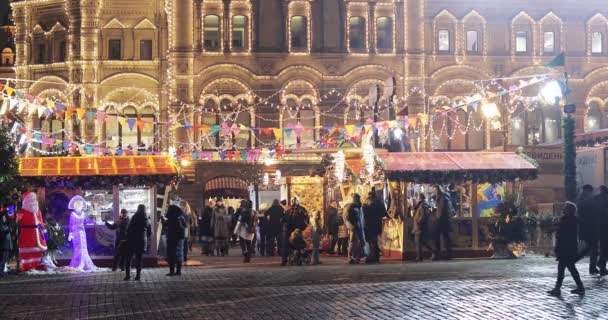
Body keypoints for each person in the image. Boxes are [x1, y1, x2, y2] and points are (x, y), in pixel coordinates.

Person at [548, 202, 585, 296]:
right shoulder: (568, 219)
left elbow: (564, 232)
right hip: (566, 247)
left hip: (566, 247)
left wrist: (556, 228)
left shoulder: (570, 220)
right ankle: (579, 287)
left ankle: (558, 288)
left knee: (563, 268)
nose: (563, 209)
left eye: (565, 208)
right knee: (570, 268)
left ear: (570, 210)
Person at [16, 192, 48, 272]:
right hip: (27, 233)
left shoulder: (38, 211)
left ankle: (35, 264)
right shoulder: (22, 211)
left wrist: (44, 231)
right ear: (26, 201)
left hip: (38, 233)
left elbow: (41, 221)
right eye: (31, 199)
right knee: (27, 250)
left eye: (34, 199)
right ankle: (27, 265)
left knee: (38, 250)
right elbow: (17, 221)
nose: (33, 201)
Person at [576, 184, 599, 275]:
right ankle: (575, 260)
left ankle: (592, 267)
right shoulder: (587, 200)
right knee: (592, 247)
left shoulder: (582, 199)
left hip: (587, 228)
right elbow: (591, 214)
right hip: (590, 228)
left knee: (592, 247)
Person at [125, 204, 152, 281]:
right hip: (141, 241)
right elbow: (149, 232)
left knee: (129, 258)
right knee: (139, 259)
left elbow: (128, 229)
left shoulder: (133, 217)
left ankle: (127, 275)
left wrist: (127, 238)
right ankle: (138, 275)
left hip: (132, 241)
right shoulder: (146, 219)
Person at [281, 196, 309, 266]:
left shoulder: (301, 209)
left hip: (297, 229)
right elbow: (283, 219)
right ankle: (285, 259)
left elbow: (306, 220)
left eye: (295, 200)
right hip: (288, 229)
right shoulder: (288, 209)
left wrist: (300, 228)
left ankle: (297, 259)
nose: (293, 201)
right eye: (293, 200)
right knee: (286, 245)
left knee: (297, 244)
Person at [363, 190, 387, 263]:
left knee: (371, 242)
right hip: (377, 226)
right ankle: (376, 257)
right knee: (374, 241)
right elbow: (384, 213)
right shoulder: (380, 204)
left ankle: (372, 257)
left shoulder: (367, 205)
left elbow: (365, 215)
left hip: (369, 226)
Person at [345, 193, 367, 264]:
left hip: (359, 227)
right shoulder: (350, 206)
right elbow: (346, 218)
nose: (358, 199)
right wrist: (351, 226)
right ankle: (351, 257)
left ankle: (356, 257)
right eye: (357, 198)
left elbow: (361, 217)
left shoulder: (358, 206)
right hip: (354, 228)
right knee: (353, 243)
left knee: (359, 242)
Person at [165, 205, 187, 276]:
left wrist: (162, 219)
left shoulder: (172, 217)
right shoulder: (181, 216)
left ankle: (172, 271)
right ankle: (178, 271)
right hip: (180, 238)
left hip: (172, 238)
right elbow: (184, 226)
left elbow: (167, 224)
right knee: (179, 253)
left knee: (171, 254)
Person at [433, 186, 453, 260]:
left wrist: (437, 218)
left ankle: (439, 253)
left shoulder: (442, 198)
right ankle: (447, 253)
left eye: (435, 191)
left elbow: (440, 210)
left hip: (442, 220)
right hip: (444, 220)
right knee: (445, 237)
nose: (434, 192)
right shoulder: (445, 198)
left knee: (439, 236)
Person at [412, 194, 433, 261]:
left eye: (418, 197)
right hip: (418, 226)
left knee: (419, 242)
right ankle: (419, 256)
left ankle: (419, 257)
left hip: (419, 226)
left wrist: (418, 221)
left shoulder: (423, 205)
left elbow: (424, 216)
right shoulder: (421, 205)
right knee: (420, 242)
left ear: (420, 197)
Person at [594, 185, 608, 276]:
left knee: (604, 247)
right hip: (604, 225)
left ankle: (601, 265)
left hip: (600, 225)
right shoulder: (604, 198)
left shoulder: (596, 198)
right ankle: (601, 265)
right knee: (604, 247)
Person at [0, 211, 12, 277]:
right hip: (3, 245)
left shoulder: (5, 225)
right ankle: (1, 272)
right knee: (2, 260)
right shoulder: (2, 226)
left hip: (6, 245)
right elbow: (4, 232)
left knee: (3, 260)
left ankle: (2, 271)